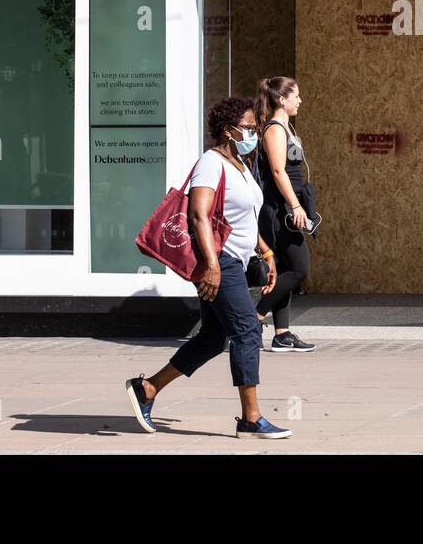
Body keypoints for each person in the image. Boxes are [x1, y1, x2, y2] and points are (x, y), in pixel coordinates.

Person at [124, 97, 291, 438]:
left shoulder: (241, 166)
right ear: (228, 131)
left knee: (214, 338)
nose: (254, 133)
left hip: (235, 261)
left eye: (254, 128)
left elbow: (241, 217)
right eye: (248, 128)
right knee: (247, 330)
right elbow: (199, 214)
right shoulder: (211, 163)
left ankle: (149, 388)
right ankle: (251, 418)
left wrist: (266, 251)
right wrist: (212, 266)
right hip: (220, 262)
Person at [254, 76, 316, 352]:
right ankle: (253, 319)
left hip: (286, 206)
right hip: (279, 209)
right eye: (296, 96)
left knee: (286, 268)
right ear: (282, 99)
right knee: (300, 268)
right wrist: (295, 205)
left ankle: (282, 333)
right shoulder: (274, 130)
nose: (300, 100)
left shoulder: (286, 127)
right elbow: (279, 171)